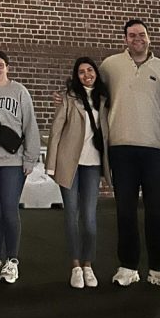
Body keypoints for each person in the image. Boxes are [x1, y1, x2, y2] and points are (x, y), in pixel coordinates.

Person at [99, 18, 160, 291]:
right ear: (125, 39)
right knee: (125, 211)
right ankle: (128, 266)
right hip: (121, 148)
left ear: (149, 38)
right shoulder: (110, 66)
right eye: (132, 35)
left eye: (142, 35)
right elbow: (92, 97)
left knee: (158, 211)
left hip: (154, 149)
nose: (137, 39)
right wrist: (67, 96)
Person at [0, 50, 41, 285]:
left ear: (7, 67)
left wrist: (30, 158)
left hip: (12, 160)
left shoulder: (19, 91)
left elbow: (30, 125)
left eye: (0, 65)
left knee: (9, 209)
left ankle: (12, 260)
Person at [46, 56, 110, 289]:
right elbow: (56, 131)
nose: (86, 75)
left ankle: (88, 264)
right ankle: (75, 266)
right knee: (71, 215)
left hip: (92, 165)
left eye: (90, 70)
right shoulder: (69, 98)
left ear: (96, 73)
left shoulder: (104, 99)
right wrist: (51, 164)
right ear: (76, 75)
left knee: (90, 218)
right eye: (81, 72)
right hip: (69, 164)